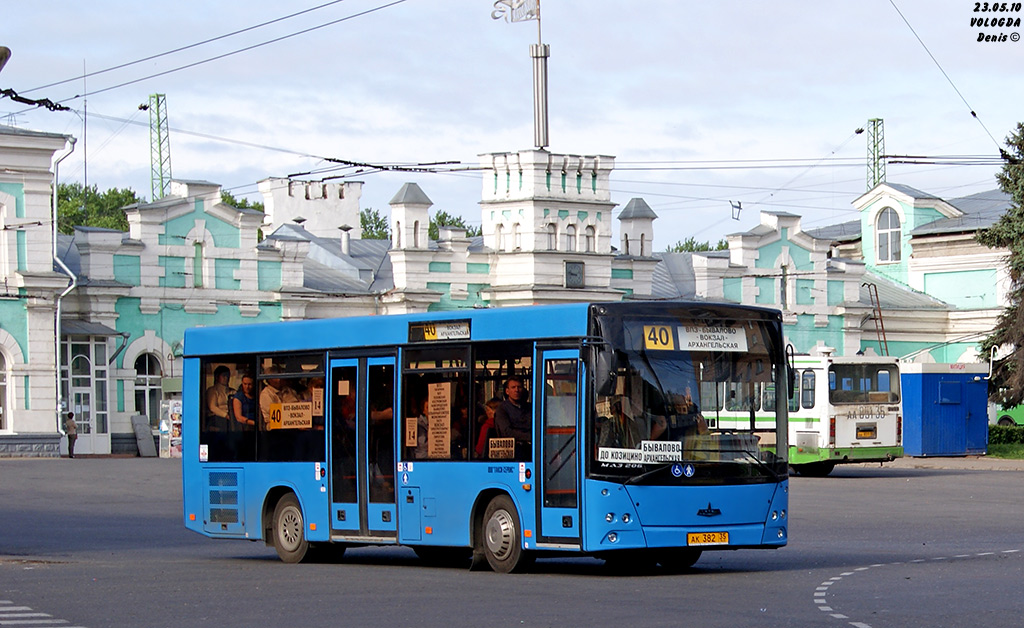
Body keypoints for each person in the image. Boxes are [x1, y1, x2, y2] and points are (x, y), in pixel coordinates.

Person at [494, 376, 531, 457]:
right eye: (513, 387)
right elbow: (506, 431)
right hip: (513, 449)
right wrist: (530, 436)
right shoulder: (502, 408)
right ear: (507, 391)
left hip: (532, 447)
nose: (516, 390)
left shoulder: (529, 407)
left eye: (519, 387)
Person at [206, 365, 232, 430]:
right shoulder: (212, 390)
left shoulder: (233, 391)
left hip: (231, 418)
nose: (226, 378)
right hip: (216, 418)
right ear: (217, 377)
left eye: (227, 375)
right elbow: (212, 407)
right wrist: (226, 415)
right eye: (223, 375)